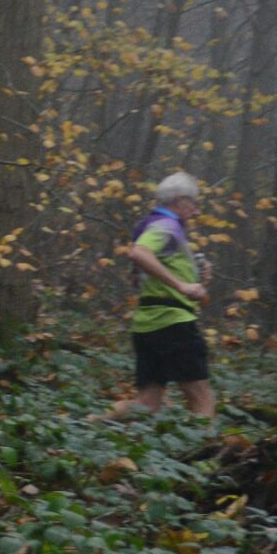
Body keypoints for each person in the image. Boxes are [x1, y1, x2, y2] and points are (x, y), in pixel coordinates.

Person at [112, 172, 214, 418]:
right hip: (174, 324)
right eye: (193, 203)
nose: (196, 211)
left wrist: (195, 276)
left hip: (147, 325)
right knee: (203, 399)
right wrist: (182, 286)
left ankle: (86, 423)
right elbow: (139, 253)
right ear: (179, 200)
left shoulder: (152, 224)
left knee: (146, 403)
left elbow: (151, 267)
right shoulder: (167, 226)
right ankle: (206, 445)